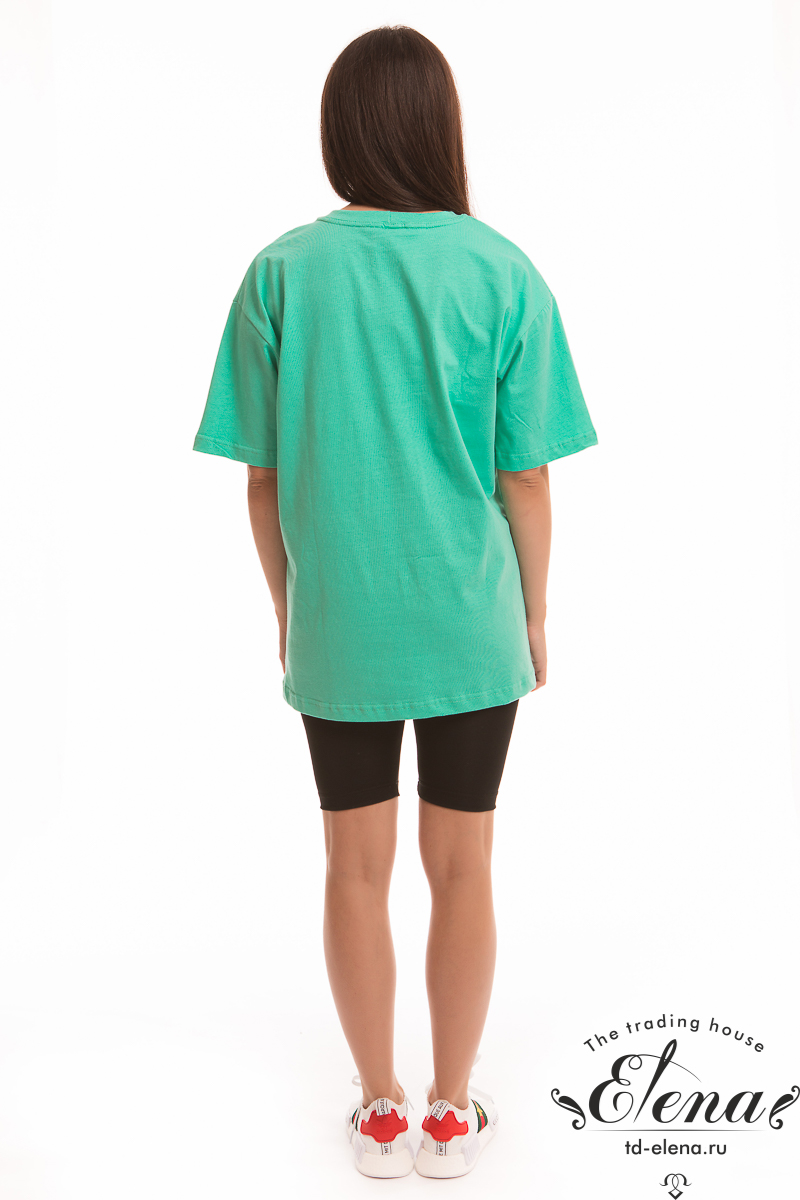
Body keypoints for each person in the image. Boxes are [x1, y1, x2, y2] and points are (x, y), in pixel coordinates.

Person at [192, 24, 597, 1180]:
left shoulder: (280, 273)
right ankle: (449, 1114)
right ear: (439, 129)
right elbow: (525, 475)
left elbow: (262, 480)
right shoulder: (501, 270)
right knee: (463, 863)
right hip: (469, 617)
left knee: (353, 866)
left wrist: (292, 606)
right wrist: (531, 612)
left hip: (342, 621)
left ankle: (378, 1111)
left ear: (341, 132)